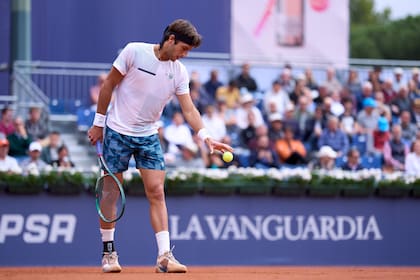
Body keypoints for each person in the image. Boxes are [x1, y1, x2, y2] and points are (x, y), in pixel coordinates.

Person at [87, 19, 233, 274]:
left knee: (156, 191)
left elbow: (188, 108)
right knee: (110, 191)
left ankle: (164, 256)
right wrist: (99, 124)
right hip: (118, 131)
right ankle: (109, 252)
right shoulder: (134, 51)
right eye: (184, 49)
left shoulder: (179, 72)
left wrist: (205, 136)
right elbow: (108, 85)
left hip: (149, 135)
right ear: (171, 40)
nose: (185, 55)